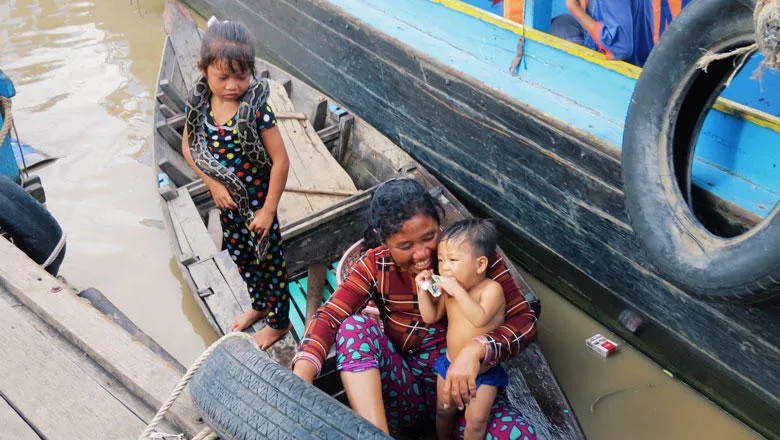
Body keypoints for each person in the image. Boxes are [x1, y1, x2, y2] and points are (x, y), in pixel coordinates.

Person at [291, 178, 538, 439]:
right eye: (406, 246)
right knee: (353, 328)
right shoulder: (375, 266)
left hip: (470, 394)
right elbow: (330, 315)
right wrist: (298, 383)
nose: (422, 255)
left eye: (429, 237)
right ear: (383, 241)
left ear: (438, 225)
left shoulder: (469, 256)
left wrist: (478, 349)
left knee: (519, 435)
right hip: (407, 395)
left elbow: (525, 321)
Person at [182, 18, 291, 349]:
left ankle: (279, 323)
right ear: (203, 70)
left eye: (242, 76)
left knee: (270, 264)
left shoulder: (257, 111)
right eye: (223, 77)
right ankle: (259, 305)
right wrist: (211, 183)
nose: (232, 85)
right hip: (227, 206)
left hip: (259, 205)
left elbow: (282, 161)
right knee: (242, 258)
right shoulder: (200, 105)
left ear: (251, 72)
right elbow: (187, 147)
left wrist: (269, 209)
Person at [416, 219, 508, 440]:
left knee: (476, 422)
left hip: (483, 372)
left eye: (453, 260)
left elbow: (479, 318)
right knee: (443, 410)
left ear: (480, 264)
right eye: (440, 260)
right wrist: (422, 290)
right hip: (449, 364)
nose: (444, 267)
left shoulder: (491, 289)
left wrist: (457, 290)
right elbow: (430, 316)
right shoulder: (449, 292)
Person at [560, 0, 654, 67]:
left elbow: (619, 48)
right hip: (646, 59)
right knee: (562, 22)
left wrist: (575, 9)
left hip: (623, 71)